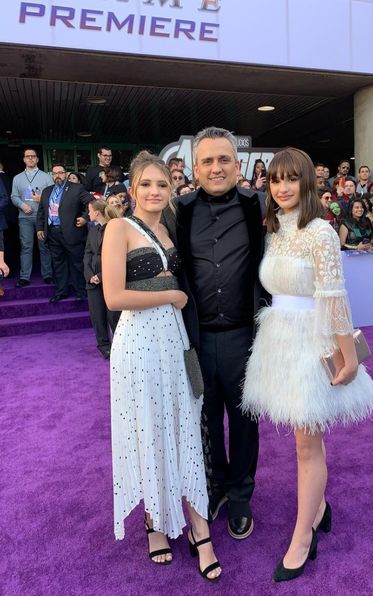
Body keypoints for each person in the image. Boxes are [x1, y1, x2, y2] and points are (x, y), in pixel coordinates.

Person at [241, 147, 373, 582]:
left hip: (311, 339)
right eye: (275, 180)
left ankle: (303, 537)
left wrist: (349, 356)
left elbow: (334, 296)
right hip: (277, 338)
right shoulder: (274, 229)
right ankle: (319, 508)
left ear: (307, 182)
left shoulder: (320, 231)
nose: (282, 188)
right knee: (304, 439)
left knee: (306, 442)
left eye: (291, 179)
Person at [102, 151, 221, 581]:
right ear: (132, 189)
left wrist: (177, 304)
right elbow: (114, 297)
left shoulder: (169, 229)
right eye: (146, 184)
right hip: (137, 345)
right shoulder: (118, 228)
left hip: (175, 341)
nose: (155, 192)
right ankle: (156, 523)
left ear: (171, 191)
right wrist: (169, 296)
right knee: (149, 429)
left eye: (163, 185)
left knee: (186, 427)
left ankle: (197, 526)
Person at [170, 127, 265, 540]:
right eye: (207, 161)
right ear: (195, 167)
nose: (216, 167)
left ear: (238, 163)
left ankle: (241, 496)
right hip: (197, 338)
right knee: (204, 421)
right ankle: (216, 486)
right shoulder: (181, 209)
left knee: (245, 421)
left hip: (246, 335)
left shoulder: (257, 204)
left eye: (223, 159)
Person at [36, 164, 92, 302]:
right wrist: (39, 228)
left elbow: (92, 202)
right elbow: (42, 211)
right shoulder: (47, 191)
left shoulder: (76, 188)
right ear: (52, 175)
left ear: (66, 174)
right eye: (55, 173)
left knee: (77, 263)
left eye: (60, 173)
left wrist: (85, 218)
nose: (57, 176)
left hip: (71, 232)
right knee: (58, 264)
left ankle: (81, 292)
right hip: (52, 232)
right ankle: (61, 292)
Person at [83, 199, 122, 359]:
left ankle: (121, 345)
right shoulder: (92, 230)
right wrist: (89, 275)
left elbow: (117, 256)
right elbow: (87, 254)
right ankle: (105, 347)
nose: (88, 214)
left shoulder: (114, 229)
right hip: (92, 281)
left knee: (114, 315)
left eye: (90, 210)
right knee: (97, 315)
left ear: (97, 212)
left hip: (111, 279)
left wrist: (101, 276)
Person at [10, 148, 53, 287]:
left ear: (37, 159)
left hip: (42, 217)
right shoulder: (17, 178)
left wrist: (42, 199)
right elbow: (13, 196)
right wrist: (22, 205)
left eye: (33, 156)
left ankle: (47, 275)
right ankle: (24, 277)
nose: (30, 159)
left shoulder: (46, 177)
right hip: (24, 217)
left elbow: (53, 196)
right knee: (26, 247)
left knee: (44, 246)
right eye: (27, 156)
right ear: (24, 159)